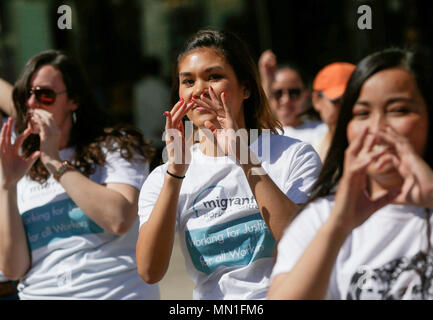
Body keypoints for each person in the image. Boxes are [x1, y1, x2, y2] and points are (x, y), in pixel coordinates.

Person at [136, 29, 322, 300]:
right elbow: (149, 271)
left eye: (214, 77)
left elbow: (305, 244)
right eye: (188, 81)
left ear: (245, 88)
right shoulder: (164, 176)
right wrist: (174, 175)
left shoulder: (294, 156)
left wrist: (245, 158)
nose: (199, 89)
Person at [268, 47, 433, 300]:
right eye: (362, 114)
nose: (377, 129)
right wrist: (337, 227)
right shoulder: (321, 218)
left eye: (398, 110)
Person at [0, 50, 159, 299]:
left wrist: (54, 161)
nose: (32, 103)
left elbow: (118, 218)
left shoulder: (115, 147)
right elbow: (13, 268)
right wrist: (7, 186)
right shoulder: (22, 163)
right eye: (25, 95)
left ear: (74, 100)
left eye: (45, 95)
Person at [258, 50, 327, 145]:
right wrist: (266, 81)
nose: (286, 100)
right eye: (278, 93)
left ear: (305, 94)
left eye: (294, 93)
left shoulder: (321, 130)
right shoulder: (261, 133)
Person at [311, 62, 355, 161]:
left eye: (351, 100)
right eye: (336, 101)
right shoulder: (307, 149)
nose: (345, 107)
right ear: (316, 100)